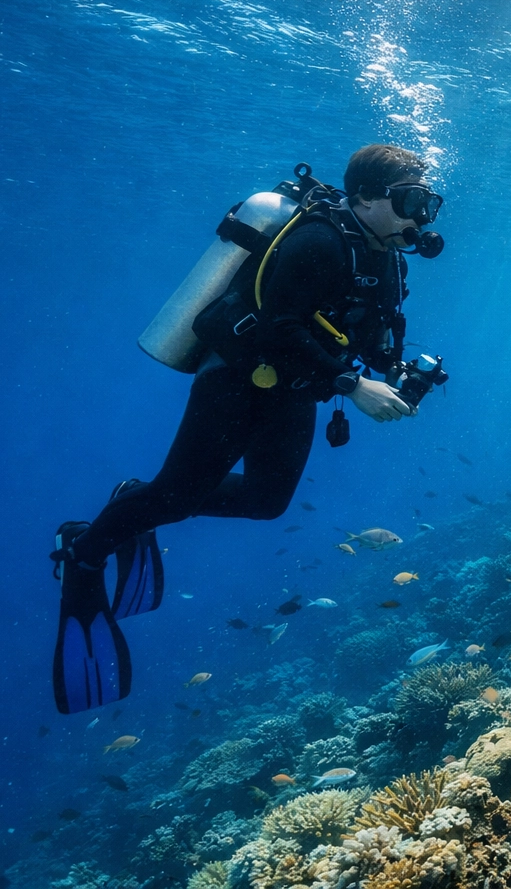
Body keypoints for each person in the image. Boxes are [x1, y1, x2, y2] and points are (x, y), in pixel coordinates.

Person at [50, 144, 445, 713]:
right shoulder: (318, 240)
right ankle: (84, 554)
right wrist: (352, 387)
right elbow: (278, 326)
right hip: (237, 379)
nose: (419, 218)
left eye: (427, 204)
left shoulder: (387, 256)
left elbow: (361, 332)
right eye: (410, 201)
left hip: (299, 386)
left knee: (265, 502)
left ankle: (140, 503)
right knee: (178, 495)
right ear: (364, 197)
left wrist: (393, 369)